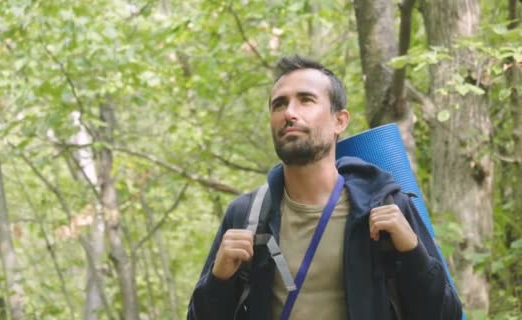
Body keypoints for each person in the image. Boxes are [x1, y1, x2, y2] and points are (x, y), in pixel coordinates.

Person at [187, 55, 463, 320]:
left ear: (339, 121)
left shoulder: (385, 205)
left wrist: (413, 253)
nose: (289, 113)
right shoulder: (247, 216)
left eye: (306, 100)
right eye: (279, 104)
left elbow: (445, 315)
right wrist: (219, 279)